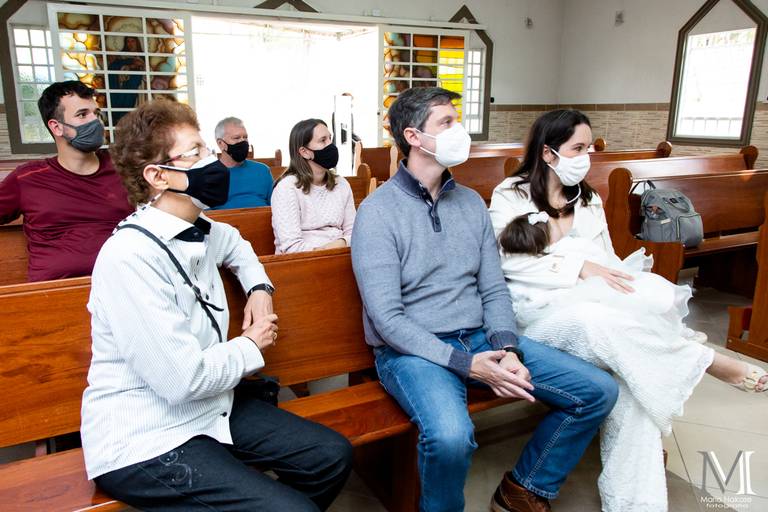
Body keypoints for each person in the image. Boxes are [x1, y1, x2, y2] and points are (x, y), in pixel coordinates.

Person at [351, 87, 618, 512]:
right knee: (452, 437)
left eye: (457, 120)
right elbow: (387, 318)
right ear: (413, 137)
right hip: (412, 352)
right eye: (447, 123)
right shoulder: (378, 211)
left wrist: (506, 347)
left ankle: (526, 486)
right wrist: (464, 364)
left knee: (597, 391)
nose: (460, 131)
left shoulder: (471, 202)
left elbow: (492, 287)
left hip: (478, 338)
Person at [489, 109, 768, 512]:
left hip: (594, 302)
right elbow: (507, 261)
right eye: (577, 148)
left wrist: (619, 283)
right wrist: (577, 267)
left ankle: (636, 504)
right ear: (549, 154)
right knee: (596, 321)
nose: (586, 156)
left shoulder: (587, 197)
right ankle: (702, 358)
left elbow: (607, 257)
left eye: (588, 147)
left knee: (632, 386)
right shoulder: (510, 194)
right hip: (538, 313)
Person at [81, 100, 353, 511]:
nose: (213, 163)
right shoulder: (128, 258)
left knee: (330, 456)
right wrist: (252, 343)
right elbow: (181, 381)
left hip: (212, 403)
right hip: (146, 433)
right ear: (157, 176)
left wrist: (260, 289)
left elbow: (239, 248)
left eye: (208, 149)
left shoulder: (201, 226)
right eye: (196, 154)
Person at [0, 80, 133, 281]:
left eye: (96, 114)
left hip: (121, 286)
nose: (96, 122)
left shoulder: (123, 170)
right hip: (52, 295)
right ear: (57, 127)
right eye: (82, 115)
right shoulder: (26, 179)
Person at [271, 119, 355, 254]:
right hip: (303, 263)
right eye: (323, 140)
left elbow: (355, 233)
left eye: (330, 139)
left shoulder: (342, 184)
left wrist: (341, 243)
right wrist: (327, 251)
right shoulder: (287, 188)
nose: (330, 145)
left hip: (342, 256)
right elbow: (291, 247)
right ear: (304, 152)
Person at [209, 116, 273, 210]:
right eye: (236, 138)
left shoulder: (263, 170)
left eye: (245, 137)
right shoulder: (207, 175)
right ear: (220, 143)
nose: (243, 141)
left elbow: (277, 206)